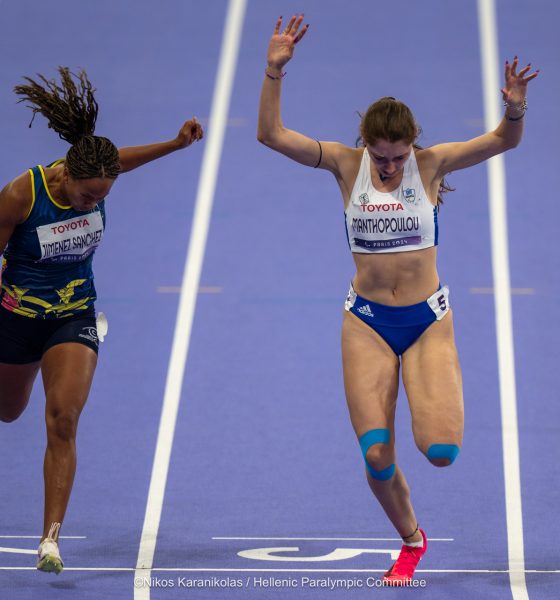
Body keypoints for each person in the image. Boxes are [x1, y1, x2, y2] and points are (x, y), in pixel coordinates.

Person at [257, 15, 538, 585]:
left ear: (412, 146)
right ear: (366, 145)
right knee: (376, 454)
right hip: (366, 323)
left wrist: (514, 108)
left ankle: (435, 406)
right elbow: (271, 135)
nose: (388, 168)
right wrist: (274, 71)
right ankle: (412, 539)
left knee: (440, 450)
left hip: (427, 322)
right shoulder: (345, 164)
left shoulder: (430, 165)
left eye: (397, 157)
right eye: (380, 157)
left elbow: (503, 141)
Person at [0, 67, 203, 574]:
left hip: (73, 316)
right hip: (16, 319)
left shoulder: (97, 174)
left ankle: (50, 540)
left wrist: (175, 144)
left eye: (103, 197)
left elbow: (120, 161)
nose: (94, 203)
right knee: (8, 412)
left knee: (63, 418)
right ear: (66, 175)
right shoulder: (22, 195)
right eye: (89, 195)